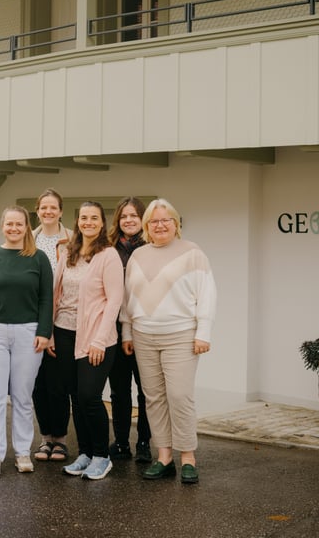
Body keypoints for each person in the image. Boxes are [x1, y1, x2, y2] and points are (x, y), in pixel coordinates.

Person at [121, 199, 216, 484]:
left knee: (179, 396)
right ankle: (164, 457)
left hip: (181, 335)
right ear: (147, 226)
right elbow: (128, 299)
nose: (160, 225)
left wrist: (204, 332)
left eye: (166, 220)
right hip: (143, 335)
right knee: (154, 398)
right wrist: (127, 332)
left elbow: (207, 294)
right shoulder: (138, 256)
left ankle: (187, 456)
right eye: (154, 221)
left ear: (176, 223)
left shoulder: (193, 253)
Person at [0, 206, 53, 478]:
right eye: (9, 224)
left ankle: (22, 452)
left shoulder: (38, 259)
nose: (14, 229)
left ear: (26, 227)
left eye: (19, 224)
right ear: (2, 226)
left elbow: (46, 298)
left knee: (22, 396)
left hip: (29, 333)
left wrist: (44, 331)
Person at [53, 202, 124, 480]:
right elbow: (56, 292)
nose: (88, 222)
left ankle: (101, 456)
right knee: (75, 397)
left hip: (96, 336)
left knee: (89, 396)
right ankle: (84, 453)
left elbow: (115, 299)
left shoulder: (108, 255)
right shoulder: (68, 252)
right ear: (78, 221)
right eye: (84, 218)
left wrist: (100, 339)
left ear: (102, 223)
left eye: (94, 218)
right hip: (64, 332)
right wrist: (50, 333)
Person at [106, 197, 152, 463]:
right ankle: (121, 441)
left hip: (144, 328)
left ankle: (144, 442)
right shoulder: (109, 249)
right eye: (124, 216)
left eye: (134, 215)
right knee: (118, 390)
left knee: (146, 391)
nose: (129, 220)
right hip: (114, 328)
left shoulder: (152, 248)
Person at [30, 188, 72, 463]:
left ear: (60, 211)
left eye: (53, 207)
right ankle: (45, 438)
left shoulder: (71, 239)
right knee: (37, 383)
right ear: (38, 210)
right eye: (43, 207)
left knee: (58, 383)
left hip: (62, 320)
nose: (48, 212)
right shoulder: (28, 238)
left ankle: (61, 439)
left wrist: (53, 330)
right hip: (31, 319)